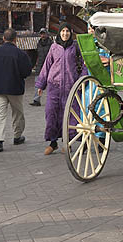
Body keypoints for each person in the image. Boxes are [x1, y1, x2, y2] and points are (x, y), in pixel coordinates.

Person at [35, 22, 87, 155]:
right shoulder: (54, 47)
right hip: (54, 87)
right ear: (59, 33)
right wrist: (41, 85)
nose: (65, 34)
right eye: (62, 31)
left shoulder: (75, 47)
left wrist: (81, 81)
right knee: (51, 114)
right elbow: (47, 65)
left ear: (71, 33)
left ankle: (67, 143)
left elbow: (84, 65)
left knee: (70, 116)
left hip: (71, 87)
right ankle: (53, 143)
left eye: (67, 31)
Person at [0, 28, 32, 152]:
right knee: (18, 113)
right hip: (15, 87)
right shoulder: (20, 54)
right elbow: (27, 71)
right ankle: (17, 136)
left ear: (3, 39)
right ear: (15, 39)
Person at [30, 28, 52, 106]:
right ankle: (36, 100)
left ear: (47, 34)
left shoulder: (51, 44)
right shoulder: (39, 43)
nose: (42, 35)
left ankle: (51, 101)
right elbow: (36, 55)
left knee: (51, 84)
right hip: (39, 66)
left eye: (44, 33)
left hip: (50, 66)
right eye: (41, 34)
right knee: (37, 83)